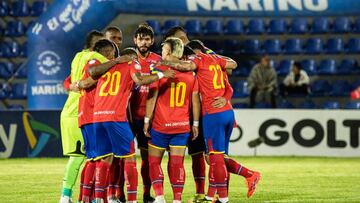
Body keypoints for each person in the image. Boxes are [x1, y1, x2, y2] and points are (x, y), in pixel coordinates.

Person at [161, 40, 261, 203]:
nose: (186, 59)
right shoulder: (216, 61)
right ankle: (211, 195)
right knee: (217, 157)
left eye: (187, 56)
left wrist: (166, 59)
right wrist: (225, 98)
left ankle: (228, 194)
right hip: (227, 112)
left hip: (213, 113)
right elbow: (231, 79)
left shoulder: (197, 59)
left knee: (215, 158)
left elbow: (186, 66)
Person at [87, 47, 175, 203]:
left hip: (97, 119)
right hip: (115, 118)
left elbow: (90, 76)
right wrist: (161, 74)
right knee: (130, 160)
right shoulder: (131, 64)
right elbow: (140, 80)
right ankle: (132, 200)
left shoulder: (106, 67)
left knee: (104, 160)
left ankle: (100, 199)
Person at [143, 37, 201, 203]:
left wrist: (147, 120)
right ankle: (177, 199)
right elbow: (195, 100)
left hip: (161, 126)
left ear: (168, 51)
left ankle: (160, 197)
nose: (161, 52)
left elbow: (152, 97)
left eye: (163, 49)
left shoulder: (159, 69)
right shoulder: (190, 72)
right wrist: (195, 123)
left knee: (154, 162)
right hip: (182, 126)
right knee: (178, 164)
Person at [59, 30, 104, 203]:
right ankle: (86, 197)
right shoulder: (96, 58)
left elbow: (67, 81)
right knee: (89, 158)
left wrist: (71, 86)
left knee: (80, 158)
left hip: (69, 112)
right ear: (95, 45)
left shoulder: (77, 57)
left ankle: (67, 196)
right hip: (81, 113)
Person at [129, 23, 161, 203]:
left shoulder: (157, 60)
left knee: (146, 159)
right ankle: (118, 194)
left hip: (148, 117)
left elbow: (156, 89)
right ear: (135, 40)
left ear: (152, 40)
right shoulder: (128, 59)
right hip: (126, 117)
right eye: (140, 38)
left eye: (147, 39)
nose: (143, 42)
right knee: (122, 158)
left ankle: (146, 195)